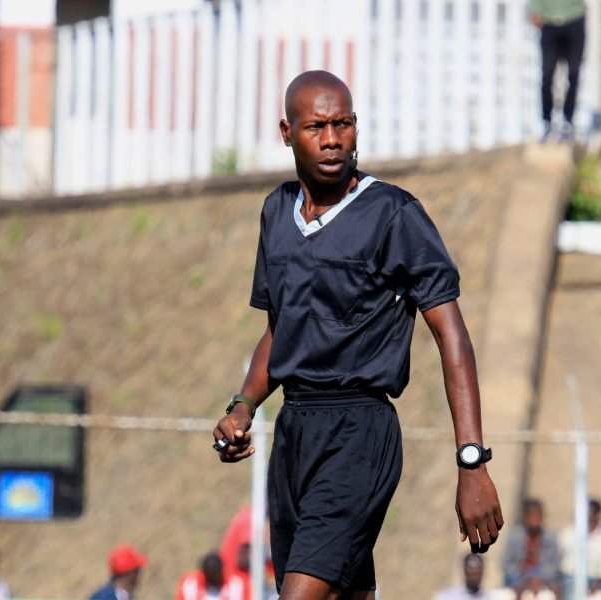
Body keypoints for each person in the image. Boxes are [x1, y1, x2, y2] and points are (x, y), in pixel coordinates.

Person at [212, 70, 504, 600]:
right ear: (287, 133)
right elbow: (279, 329)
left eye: (342, 124)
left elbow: (453, 337)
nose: (331, 139)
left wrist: (472, 462)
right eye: (316, 127)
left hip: (359, 432)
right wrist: (243, 406)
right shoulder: (276, 211)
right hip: (294, 433)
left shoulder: (393, 213)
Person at [529, 0, 586, 142]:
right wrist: (535, 9)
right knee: (547, 75)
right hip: (549, 23)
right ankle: (546, 122)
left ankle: (568, 122)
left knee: (574, 74)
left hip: (574, 21)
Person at [559, 498, 601, 600]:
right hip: (573, 578)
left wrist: (598, 580)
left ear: (597, 515)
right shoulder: (568, 534)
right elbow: (565, 563)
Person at [502, 498, 562, 599]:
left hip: (543, 577)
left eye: (538, 514)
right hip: (520, 576)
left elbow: (554, 566)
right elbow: (506, 564)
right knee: (517, 588)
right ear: (525, 516)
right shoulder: (514, 536)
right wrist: (525, 576)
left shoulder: (551, 537)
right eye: (531, 514)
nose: (535, 518)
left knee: (557, 589)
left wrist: (539, 578)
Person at [176, 552, 245, 600]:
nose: (213, 578)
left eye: (215, 574)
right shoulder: (190, 584)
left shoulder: (235, 585)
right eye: (210, 575)